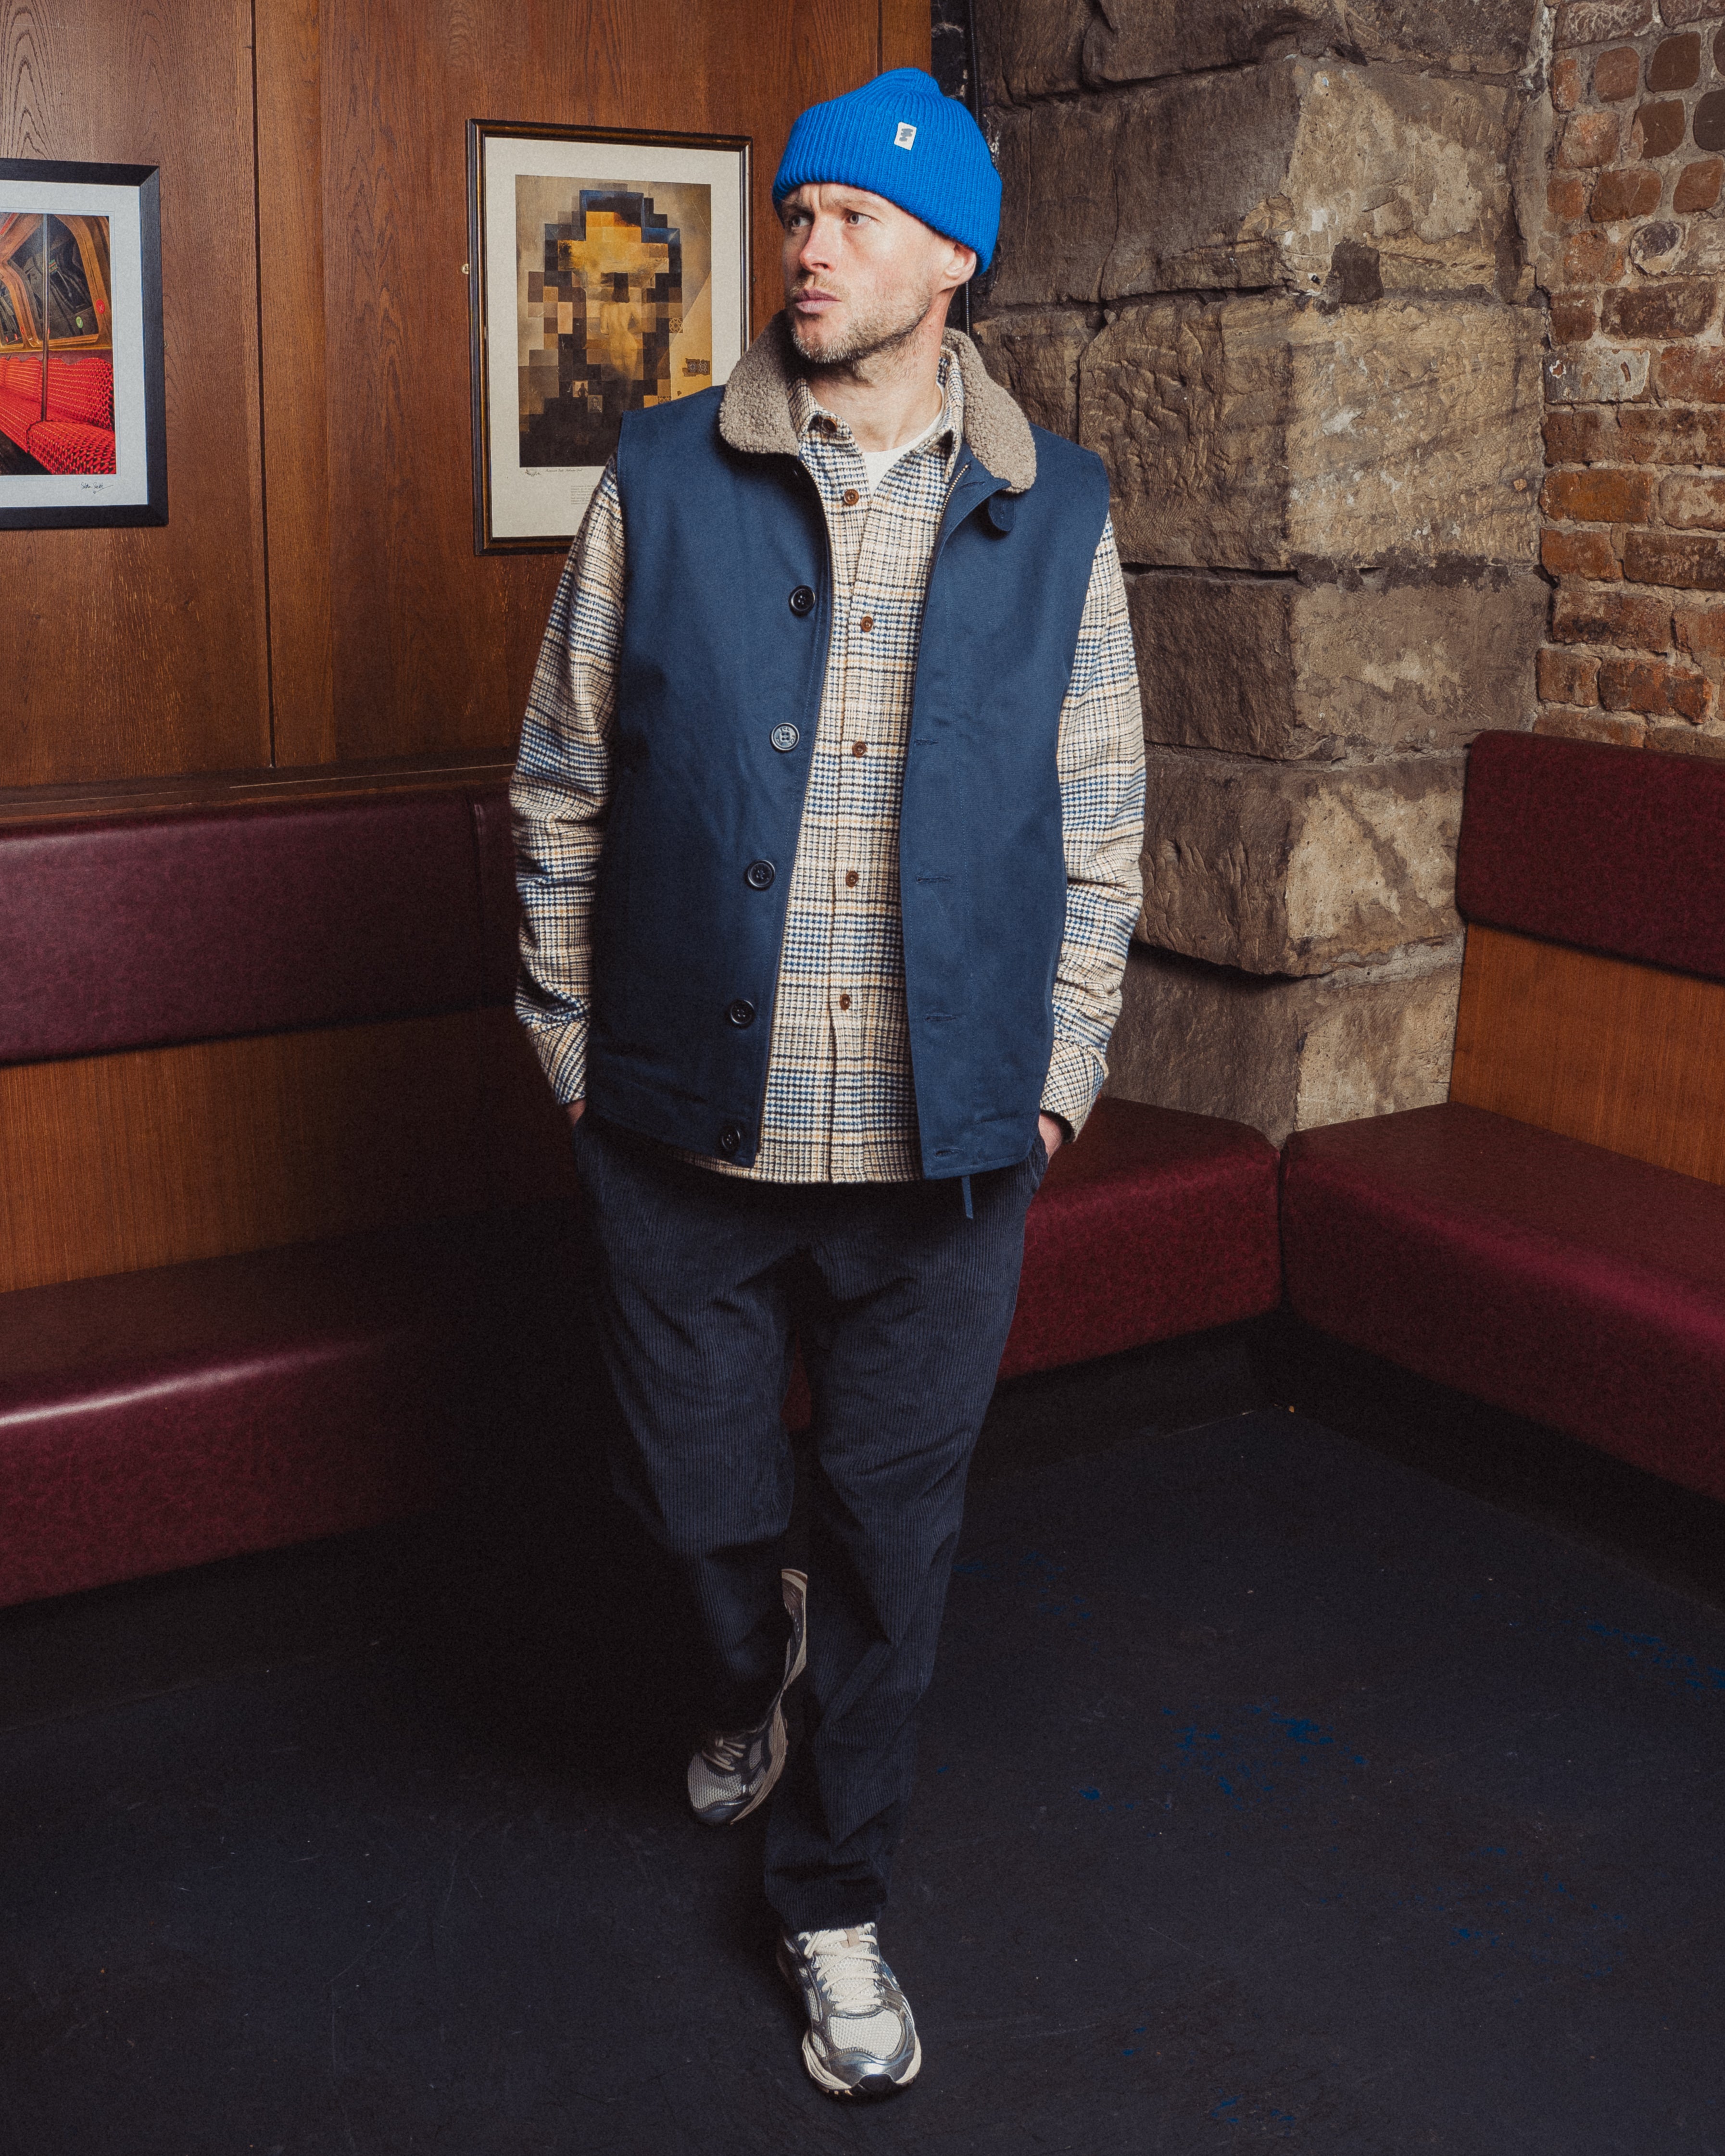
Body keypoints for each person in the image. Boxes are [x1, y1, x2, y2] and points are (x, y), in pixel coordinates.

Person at [510, 64, 1145, 2099]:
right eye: (795, 216)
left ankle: (834, 1893)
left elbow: (1106, 817)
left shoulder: (1065, 513)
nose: (806, 247)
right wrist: (570, 1052)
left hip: (946, 1152)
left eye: (852, 219)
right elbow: (560, 785)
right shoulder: (666, 475)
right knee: (695, 1509)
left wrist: (1053, 1081)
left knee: (895, 1546)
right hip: (687, 1126)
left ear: (954, 258)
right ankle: (736, 1656)